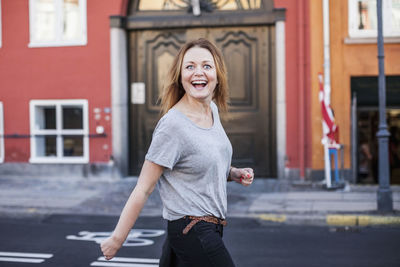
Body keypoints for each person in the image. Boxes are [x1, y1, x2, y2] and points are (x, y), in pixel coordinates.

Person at [100, 38, 254, 267]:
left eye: (206, 66)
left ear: (218, 74)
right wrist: (117, 238)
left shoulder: (211, 110)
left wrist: (233, 173)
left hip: (204, 228)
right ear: (180, 76)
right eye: (190, 66)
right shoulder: (173, 126)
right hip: (193, 230)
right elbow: (144, 188)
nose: (198, 72)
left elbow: (198, 164)